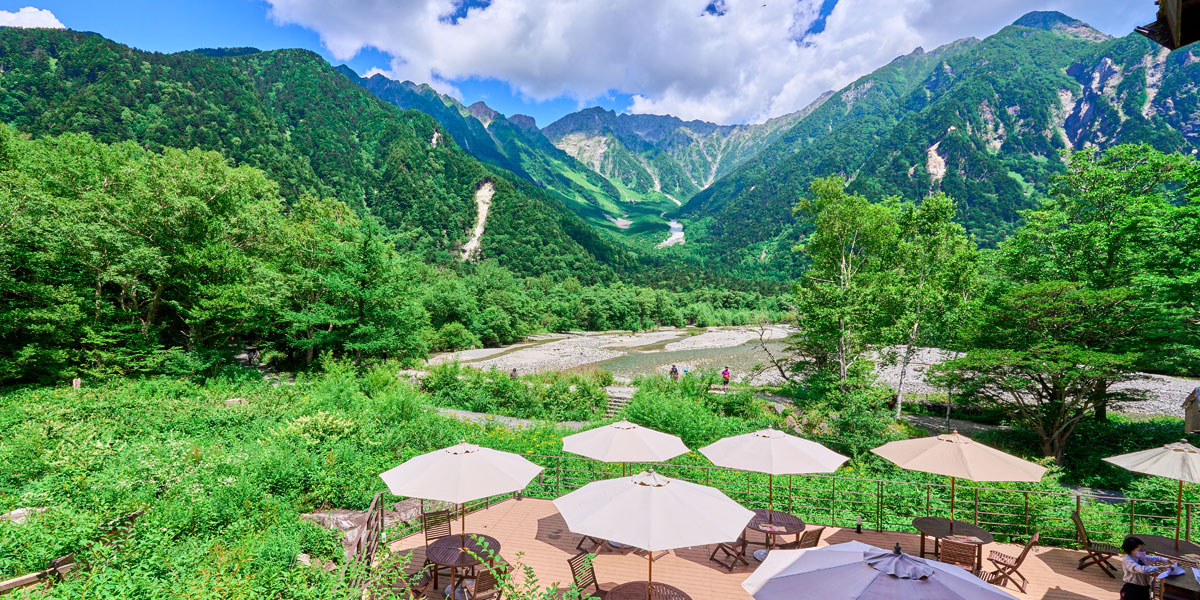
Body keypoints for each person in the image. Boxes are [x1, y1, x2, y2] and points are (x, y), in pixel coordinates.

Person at [1120, 535, 1174, 600]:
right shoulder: (1127, 560)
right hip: (1132, 588)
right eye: (1140, 550)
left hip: (1144, 588)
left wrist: (1168, 560)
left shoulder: (1141, 557)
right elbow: (1143, 570)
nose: (1143, 552)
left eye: (1144, 549)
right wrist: (1161, 567)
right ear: (1131, 550)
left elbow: (1155, 558)